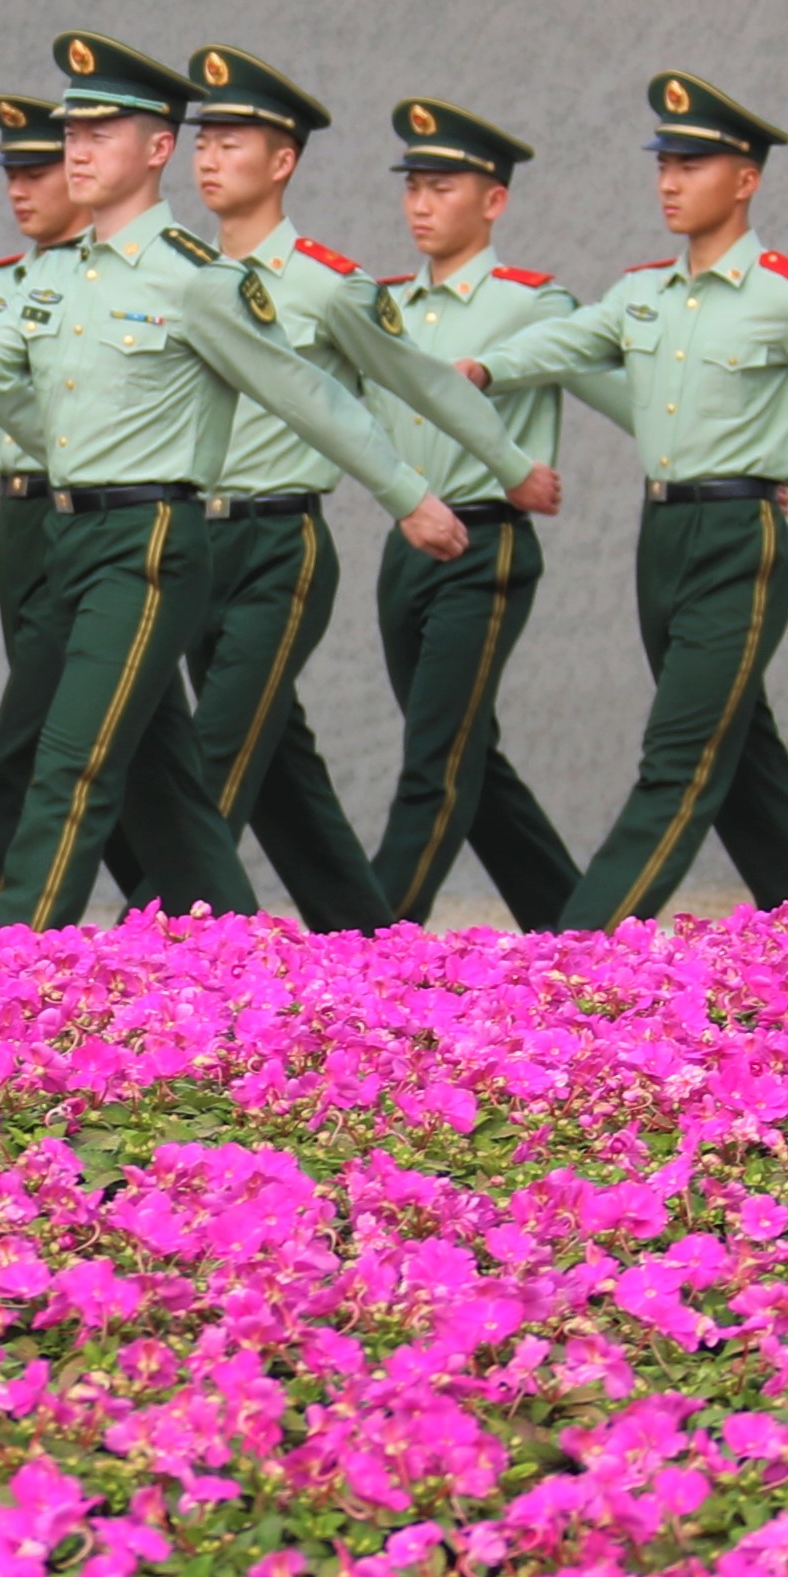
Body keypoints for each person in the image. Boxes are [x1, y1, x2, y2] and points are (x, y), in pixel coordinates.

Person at [0, 35, 468, 929]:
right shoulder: (54, 275)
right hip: (67, 538)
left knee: (74, 762)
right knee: (164, 785)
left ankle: (9, 964)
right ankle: (246, 962)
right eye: (72, 133)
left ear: (158, 147)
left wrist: (408, 496)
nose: (76, 150)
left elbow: (306, 394)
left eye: (102, 131)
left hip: (149, 542)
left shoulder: (197, 281)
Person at [464, 73, 788, 929]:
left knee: (680, 759)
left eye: (694, 164)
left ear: (745, 180)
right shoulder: (642, 293)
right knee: (740, 752)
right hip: (660, 534)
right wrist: (486, 367)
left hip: (741, 537)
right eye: (665, 162)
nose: (670, 181)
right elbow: (571, 339)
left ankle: (575, 949)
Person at [166, 46, 557, 934]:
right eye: (203, 142)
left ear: (283, 160)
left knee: (211, 766)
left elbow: (418, 379)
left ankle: (169, 964)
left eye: (234, 141)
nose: (210, 158)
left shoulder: (328, 282)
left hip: (278, 545)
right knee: (281, 777)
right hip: (197, 541)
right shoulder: (185, 277)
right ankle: (368, 941)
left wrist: (502, 470)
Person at [365, 96, 605, 928]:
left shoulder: (534, 303)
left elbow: (622, 384)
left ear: (493, 201)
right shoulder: (383, 304)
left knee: (436, 754)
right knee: (464, 748)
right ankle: (574, 923)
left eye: (442, 187)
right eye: (413, 188)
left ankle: (376, 929)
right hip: (407, 545)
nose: (420, 205)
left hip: (485, 543)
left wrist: (739, 464)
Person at [0, 93, 93, 923]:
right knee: (99, 728)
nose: (20, 191)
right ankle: (195, 915)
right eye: (13, 174)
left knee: (31, 725)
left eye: (38, 172)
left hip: (90, 513)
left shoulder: (109, 281)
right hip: (20, 517)